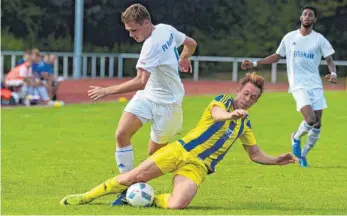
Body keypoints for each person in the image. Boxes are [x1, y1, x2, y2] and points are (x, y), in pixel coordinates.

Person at [60, 72, 297, 209]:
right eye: (246, 94)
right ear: (238, 91)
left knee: (177, 205)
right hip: (180, 151)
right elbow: (217, 115)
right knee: (132, 176)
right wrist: (231, 114)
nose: (248, 99)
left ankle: (147, 199)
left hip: (197, 167)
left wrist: (276, 160)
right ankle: (85, 197)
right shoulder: (223, 101)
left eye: (253, 98)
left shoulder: (245, 124)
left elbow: (255, 154)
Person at [87, 4, 197, 178]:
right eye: (129, 31)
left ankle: (188, 162)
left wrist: (106, 91)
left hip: (168, 103)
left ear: (146, 23)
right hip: (147, 97)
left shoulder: (151, 46)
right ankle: (126, 183)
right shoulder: (165, 29)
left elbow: (140, 81)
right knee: (121, 134)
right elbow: (191, 44)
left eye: (134, 30)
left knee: (155, 156)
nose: (131, 35)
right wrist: (184, 57)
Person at [241, 5, 337, 167]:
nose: (307, 16)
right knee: (310, 119)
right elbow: (276, 56)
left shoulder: (320, 39)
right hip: (298, 84)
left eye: (310, 15)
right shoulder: (289, 37)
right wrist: (255, 63)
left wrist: (333, 74)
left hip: (315, 85)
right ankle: (296, 137)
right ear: (301, 18)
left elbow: (330, 61)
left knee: (318, 124)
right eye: (304, 14)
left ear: (314, 20)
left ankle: (303, 156)